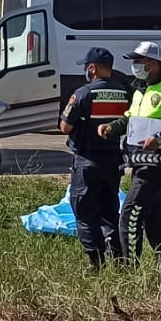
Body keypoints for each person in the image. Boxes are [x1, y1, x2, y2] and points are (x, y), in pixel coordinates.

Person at [98, 41, 161, 267]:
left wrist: (159, 138)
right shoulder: (140, 91)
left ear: (154, 63)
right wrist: (112, 127)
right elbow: (130, 120)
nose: (135, 66)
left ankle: (129, 268)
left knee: (130, 214)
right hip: (140, 161)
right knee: (152, 219)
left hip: (159, 164)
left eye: (139, 61)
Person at [58, 46, 131, 270]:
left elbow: (65, 127)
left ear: (92, 68)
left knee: (85, 211)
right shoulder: (124, 93)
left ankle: (95, 261)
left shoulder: (83, 93)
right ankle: (119, 259)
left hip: (87, 162)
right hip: (112, 161)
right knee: (110, 210)